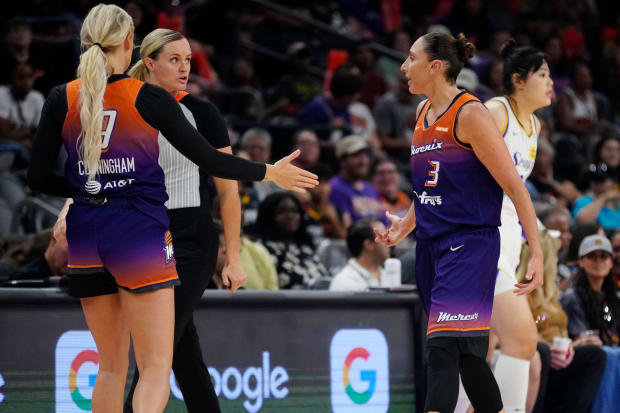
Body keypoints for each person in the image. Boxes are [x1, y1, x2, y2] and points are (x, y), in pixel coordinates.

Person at [26, 5, 317, 413]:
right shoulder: (148, 98)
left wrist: (86, 189)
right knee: (156, 366)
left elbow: (37, 178)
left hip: (87, 236)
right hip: (140, 234)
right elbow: (212, 161)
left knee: (110, 368)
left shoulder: (62, 96)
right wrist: (269, 171)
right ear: (130, 44)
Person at [374, 32, 543, 413]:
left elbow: (516, 188)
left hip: (469, 244)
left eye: (411, 58)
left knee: (442, 347)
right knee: (468, 353)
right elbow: (429, 186)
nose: (403, 67)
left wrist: (537, 254)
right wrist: (406, 223)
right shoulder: (420, 115)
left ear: (436, 67)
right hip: (431, 246)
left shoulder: (471, 114)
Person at [118, 28, 248, 412]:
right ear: (150, 63)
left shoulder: (202, 113)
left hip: (191, 237)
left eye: (188, 59)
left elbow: (228, 191)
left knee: (156, 350)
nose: (184, 67)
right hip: (144, 239)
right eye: (174, 59)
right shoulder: (128, 106)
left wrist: (234, 258)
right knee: (182, 352)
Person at [462, 40, 553, 413]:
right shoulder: (495, 112)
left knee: (482, 348)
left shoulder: (535, 125)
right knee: (522, 339)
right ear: (518, 80)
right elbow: (454, 168)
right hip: (479, 237)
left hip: (507, 239)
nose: (552, 83)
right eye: (543, 75)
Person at [515, 229, 606, 413]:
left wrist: (576, 344)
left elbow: (562, 335)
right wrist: (549, 347)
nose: (557, 263)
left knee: (595, 354)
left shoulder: (553, 296)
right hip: (536, 357)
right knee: (542, 353)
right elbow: (520, 332)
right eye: (555, 258)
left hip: (557, 360)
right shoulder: (519, 294)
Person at [254, 192, 329, 289]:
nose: (290, 216)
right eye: (282, 211)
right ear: (268, 216)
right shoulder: (261, 250)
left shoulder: (305, 247)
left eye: (294, 211)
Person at [560, 234, 620, 346]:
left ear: (611, 263)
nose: (598, 261)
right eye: (592, 256)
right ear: (581, 262)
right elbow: (582, 338)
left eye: (603, 256)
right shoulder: (572, 297)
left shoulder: (615, 296)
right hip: (590, 354)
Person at [329, 135, 387, 226]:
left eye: (365, 155)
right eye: (356, 156)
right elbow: (345, 229)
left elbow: (385, 222)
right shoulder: (335, 188)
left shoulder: (370, 188)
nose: (363, 161)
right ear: (342, 161)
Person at [329, 218, 390, 292]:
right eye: (383, 237)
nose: (389, 242)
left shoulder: (389, 274)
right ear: (368, 244)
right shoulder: (344, 283)